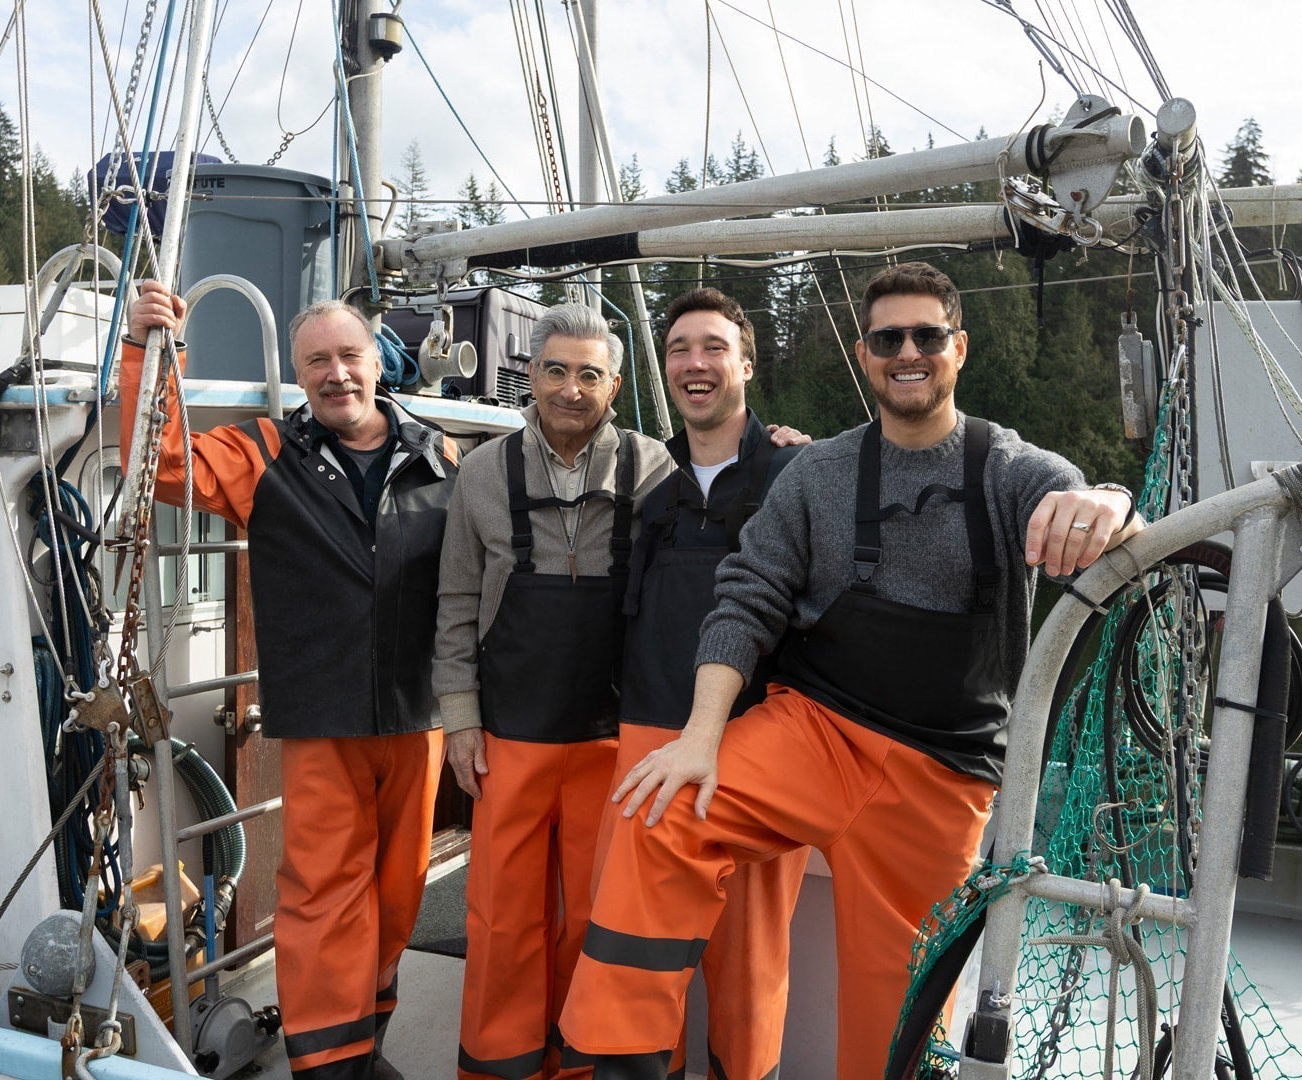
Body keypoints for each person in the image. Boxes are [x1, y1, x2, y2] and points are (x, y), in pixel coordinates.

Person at [559, 262, 1144, 1079]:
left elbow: (1090, 501)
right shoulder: (818, 473)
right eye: (887, 339)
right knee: (657, 814)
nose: (908, 352)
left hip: (941, 774)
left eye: (926, 336)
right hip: (818, 733)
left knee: (896, 1021)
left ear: (958, 348)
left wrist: (1110, 501)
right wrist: (699, 737)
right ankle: (625, 1063)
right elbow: (746, 597)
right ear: (865, 356)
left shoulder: (1004, 467)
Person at [123, 281, 457, 1080]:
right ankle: (327, 1066)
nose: (336, 374)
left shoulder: (440, 453)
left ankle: (364, 1047)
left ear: (378, 365)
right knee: (323, 897)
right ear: (299, 375)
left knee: (399, 895)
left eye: (349, 357)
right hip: (322, 717)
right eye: (317, 362)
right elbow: (162, 464)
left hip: (420, 717)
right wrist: (149, 351)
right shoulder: (265, 453)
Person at [431, 302, 673, 1080]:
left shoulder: (653, 468)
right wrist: (460, 720)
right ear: (530, 376)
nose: (572, 389)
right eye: (556, 371)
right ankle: (499, 1065)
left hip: (616, 741)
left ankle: (581, 1061)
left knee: (600, 916)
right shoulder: (481, 473)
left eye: (590, 374)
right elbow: (457, 606)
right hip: (511, 734)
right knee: (503, 915)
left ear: (615, 384)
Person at [610, 287, 810, 1080]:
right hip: (648, 747)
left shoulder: (800, 475)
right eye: (680, 350)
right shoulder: (650, 495)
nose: (696, 364)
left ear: (747, 366)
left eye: (714, 347)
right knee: (641, 962)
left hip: (757, 752)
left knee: (750, 968)